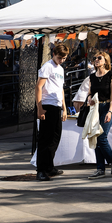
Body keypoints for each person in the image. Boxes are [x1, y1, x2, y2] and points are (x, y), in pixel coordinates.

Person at [35, 43, 69, 181]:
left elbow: (60, 89)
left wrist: (64, 108)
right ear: (54, 54)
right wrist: (40, 107)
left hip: (57, 105)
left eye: (64, 58)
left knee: (55, 137)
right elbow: (38, 87)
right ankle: (41, 169)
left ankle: (49, 166)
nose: (62, 60)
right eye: (60, 57)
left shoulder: (60, 69)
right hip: (47, 104)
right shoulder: (47, 66)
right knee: (45, 139)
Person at [86, 51, 112, 179]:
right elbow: (89, 92)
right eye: (94, 58)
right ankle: (100, 169)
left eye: (99, 58)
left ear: (106, 60)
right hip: (96, 108)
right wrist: (89, 98)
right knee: (95, 136)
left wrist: (110, 111)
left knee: (101, 136)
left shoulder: (111, 75)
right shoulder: (92, 77)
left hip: (107, 107)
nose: (96, 60)